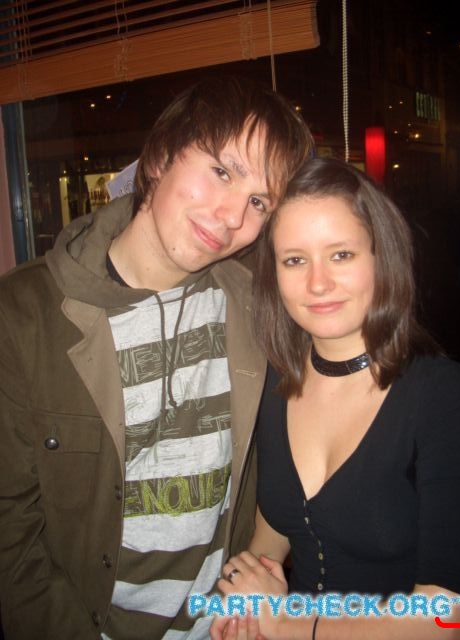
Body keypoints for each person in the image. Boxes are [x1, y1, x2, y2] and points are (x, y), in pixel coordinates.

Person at [0, 75, 314, 640]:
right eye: (222, 172)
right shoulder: (23, 316)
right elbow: (12, 538)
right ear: (164, 154)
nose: (232, 216)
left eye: (258, 202)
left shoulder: (259, 306)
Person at [211, 157, 460, 640]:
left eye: (341, 255)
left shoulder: (441, 397)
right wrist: (242, 603)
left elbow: (450, 618)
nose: (318, 283)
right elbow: (272, 537)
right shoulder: (275, 385)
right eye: (295, 260)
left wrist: (290, 624)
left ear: (381, 257)